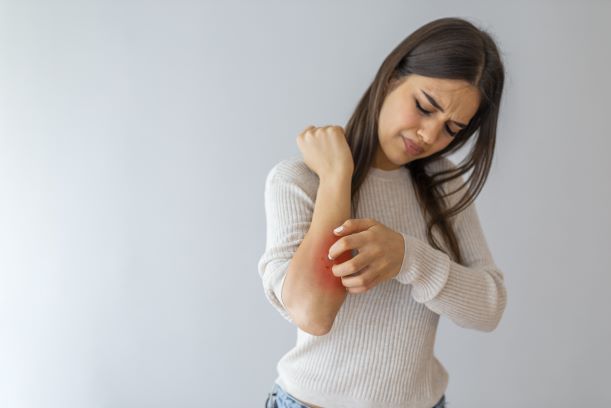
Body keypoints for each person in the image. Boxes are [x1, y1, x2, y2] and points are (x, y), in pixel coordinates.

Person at [258, 16, 507, 408]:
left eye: (452, 129)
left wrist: (410, 258)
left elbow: (490, 307)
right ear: (391, 77)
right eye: (425, 107)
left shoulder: (443, 188)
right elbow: (313, 313)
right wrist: (338, 177)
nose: (430, 135)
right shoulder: (300, 180)